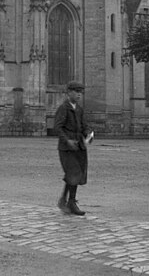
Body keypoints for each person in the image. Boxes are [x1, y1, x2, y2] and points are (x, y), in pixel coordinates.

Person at [55, 81, 92, 216]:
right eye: (76, 92)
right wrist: (67, 141)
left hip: (79, 146)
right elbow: (58, 127)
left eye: (80, 92)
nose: (78, 95)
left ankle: (66, 200)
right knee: (73, 173)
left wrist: (88, 133)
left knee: (76, 174)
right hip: (66, 148)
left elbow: (84, 125)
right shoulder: (63, 108)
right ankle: (69, 202)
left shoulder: (79, 109)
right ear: (68, 92)